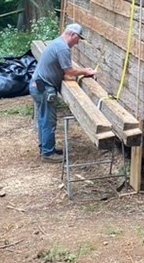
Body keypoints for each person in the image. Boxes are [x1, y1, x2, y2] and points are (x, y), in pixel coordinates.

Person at [29, 23, 95, 162]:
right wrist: (86, 71)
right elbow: (69, 71)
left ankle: (46, 148)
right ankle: (48, 153)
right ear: (73, 35)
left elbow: (63, 71)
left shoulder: (57, 43)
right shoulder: (62, 48)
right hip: (44, 89)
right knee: (48, 120)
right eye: (78, 38)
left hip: (38, 86)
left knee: (43, 118)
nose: (77, 42)